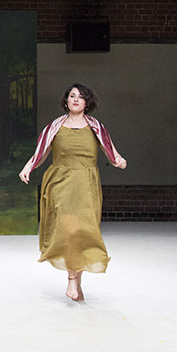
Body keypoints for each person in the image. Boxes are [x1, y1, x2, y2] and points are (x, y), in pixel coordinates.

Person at [19, 84, 127, 302]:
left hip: (87, 184)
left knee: (84, 231)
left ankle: (77, 282)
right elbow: (41, 151)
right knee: (69, 231)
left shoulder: (96, 127)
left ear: (88, 102)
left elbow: (110, 149)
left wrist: (119, 160)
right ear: (66, 101)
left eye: (80, 97)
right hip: (61, 183)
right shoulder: (55, 127)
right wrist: (27, 167)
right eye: (72, 96)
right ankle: (71, 279)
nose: (76, 99)